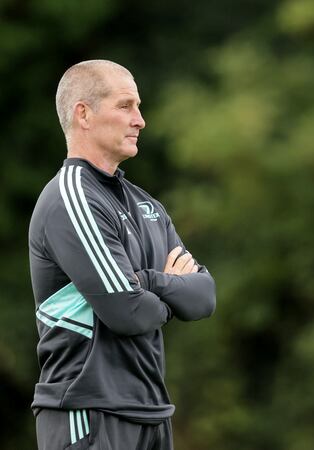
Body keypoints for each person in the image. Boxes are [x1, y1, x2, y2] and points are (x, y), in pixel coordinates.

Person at [28, 60, 216, 449]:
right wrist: (168, 287)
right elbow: (128, 312)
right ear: (84, 114)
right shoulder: (72, 198)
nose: (140, 120)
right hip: (89, 411)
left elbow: (204, 297)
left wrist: (145, 281)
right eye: (125, 105)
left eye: (138, 107)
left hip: (152, 413)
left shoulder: (146, 206)